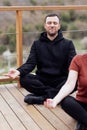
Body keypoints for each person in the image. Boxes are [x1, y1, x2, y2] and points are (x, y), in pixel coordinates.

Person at [6, 13, 76, 105]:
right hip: (42, 80)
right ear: (45, 26)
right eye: (49, 23)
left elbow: (73, 66)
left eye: (55, 23)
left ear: (59, 26)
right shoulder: (37, 44)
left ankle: (42, 97)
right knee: (24, 79)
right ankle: (56, 96)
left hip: (61, 80)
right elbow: (30, 64)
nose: (52, 25)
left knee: (76, 81)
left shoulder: (68, 44)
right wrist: (18, 71)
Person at [44, 54, 87, 130]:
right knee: (65, 101)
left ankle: (83, 122)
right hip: (82, 104)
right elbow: (69, 84)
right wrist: (55, 100)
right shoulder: (78, 59)